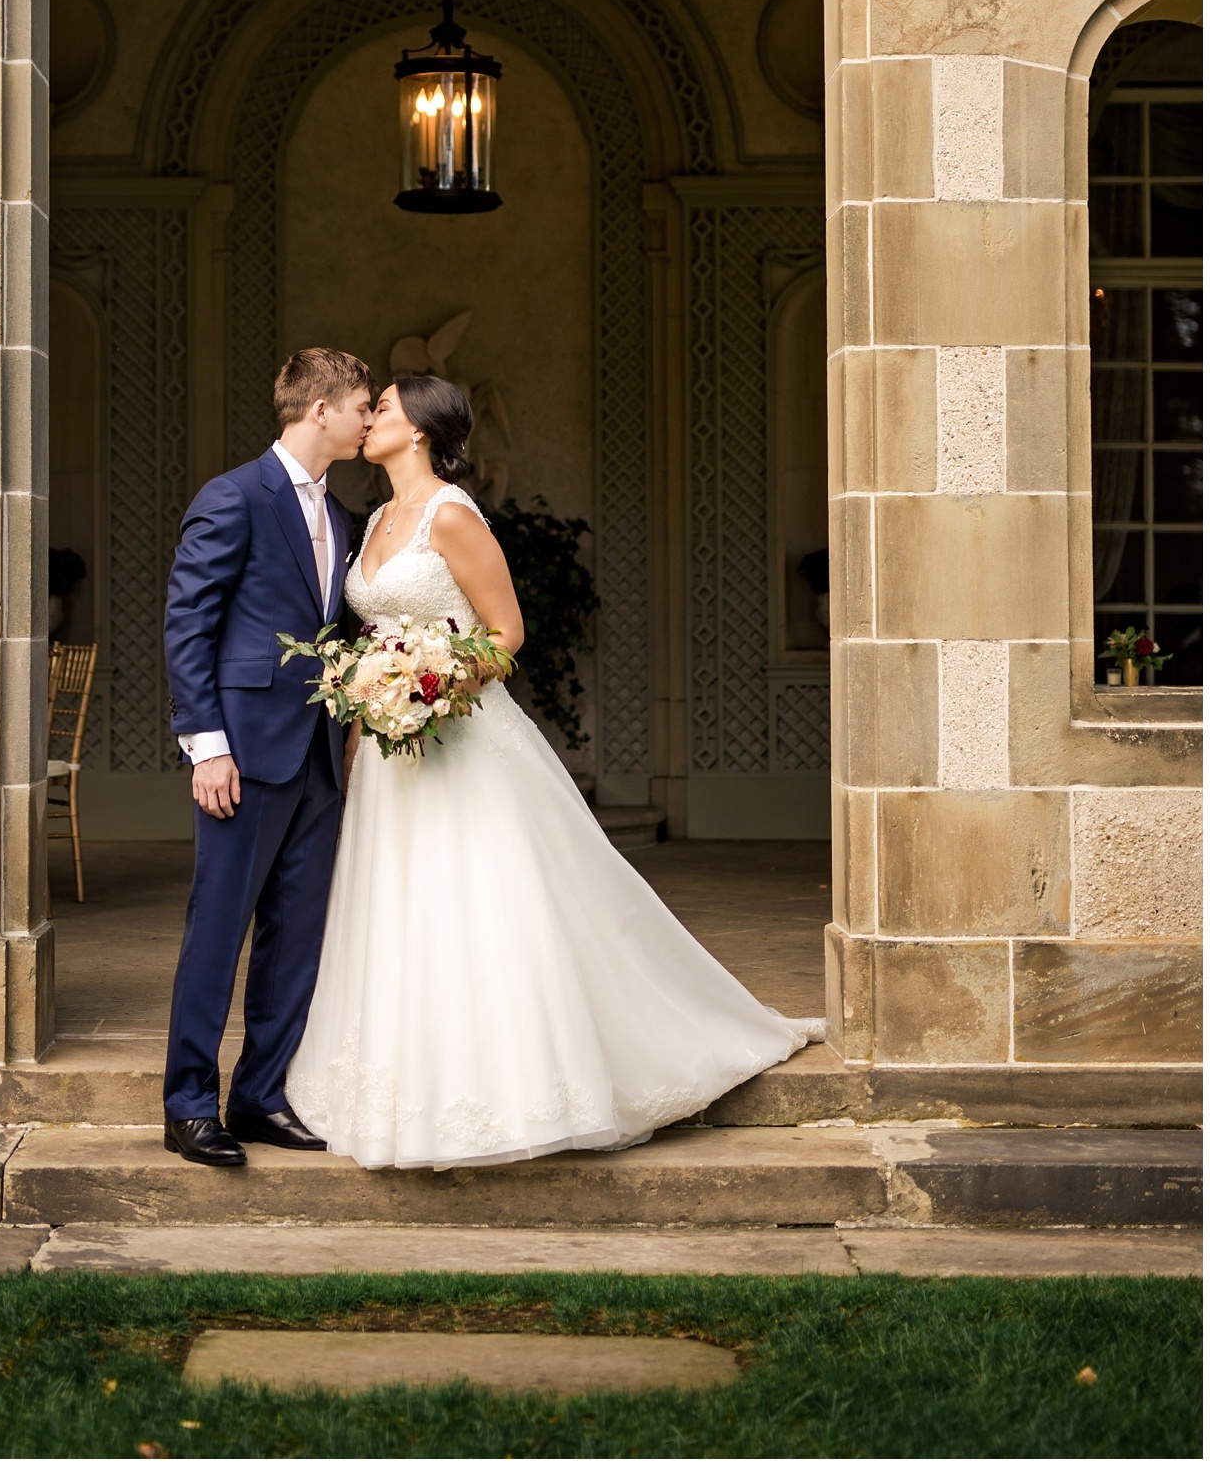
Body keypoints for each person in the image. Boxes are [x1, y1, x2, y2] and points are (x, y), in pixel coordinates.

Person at [286, 373, 823, 1170]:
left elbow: (505, 633)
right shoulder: (370, 521)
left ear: (423, 428)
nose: (371, 418)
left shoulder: (453, 514)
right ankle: (397, 1085)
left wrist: (432, 685)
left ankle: (517, 1082)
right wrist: (376, 693)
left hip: (459, 744)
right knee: (400, 910)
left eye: (386, 407)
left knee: (480, 908)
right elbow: (370, 631)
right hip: (388, 760)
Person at [161, 347, 373, 1168]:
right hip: (242, 757)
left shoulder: (343, 515)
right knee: (218, 928)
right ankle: (187, 1105)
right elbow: (189, 625)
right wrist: (206, 744)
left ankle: (258, 1094)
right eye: (360, 405)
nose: (366, 419)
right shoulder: (233, 496)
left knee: (296, 934)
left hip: (317, 755)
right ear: (320, 408)